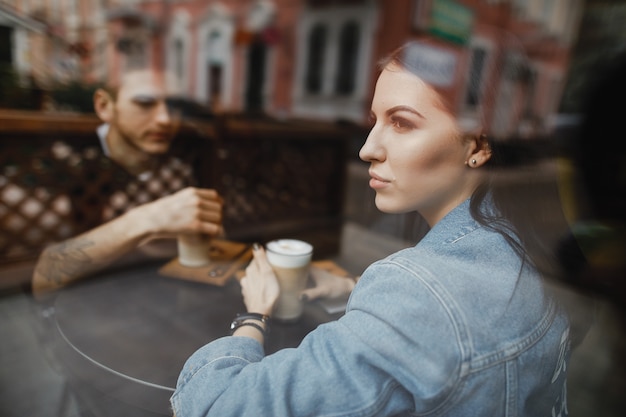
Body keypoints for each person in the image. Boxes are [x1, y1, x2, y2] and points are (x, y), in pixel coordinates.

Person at [170, 43, 571, 416]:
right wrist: (353, 286)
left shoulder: (419, 290)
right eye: (376, 121)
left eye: (401, 123)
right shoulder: (518, 247)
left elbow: (219, 405)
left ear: (478, 146)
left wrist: (253, 314)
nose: (367, 149)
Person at [31, 68, 224, 295]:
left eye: (173, 106)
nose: (165, 119)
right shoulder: (65, 164)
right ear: (104, 106)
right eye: (144, 103)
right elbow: (43, 276)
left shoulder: (181, 159)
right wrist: (149, 219)